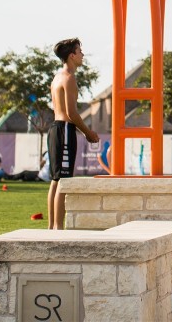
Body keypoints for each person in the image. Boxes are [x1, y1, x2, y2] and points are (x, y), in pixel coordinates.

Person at [47, 37, 99, 229]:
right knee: (63, 180)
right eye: (80, 51)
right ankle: (58, 229)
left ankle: (52, 227)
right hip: (64, 130)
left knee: (56, 179)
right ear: (71, 56)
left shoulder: (57, 77)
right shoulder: (69, 78)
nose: (82, 55)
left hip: (55, 129)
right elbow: (71, 112)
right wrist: (87, 132)